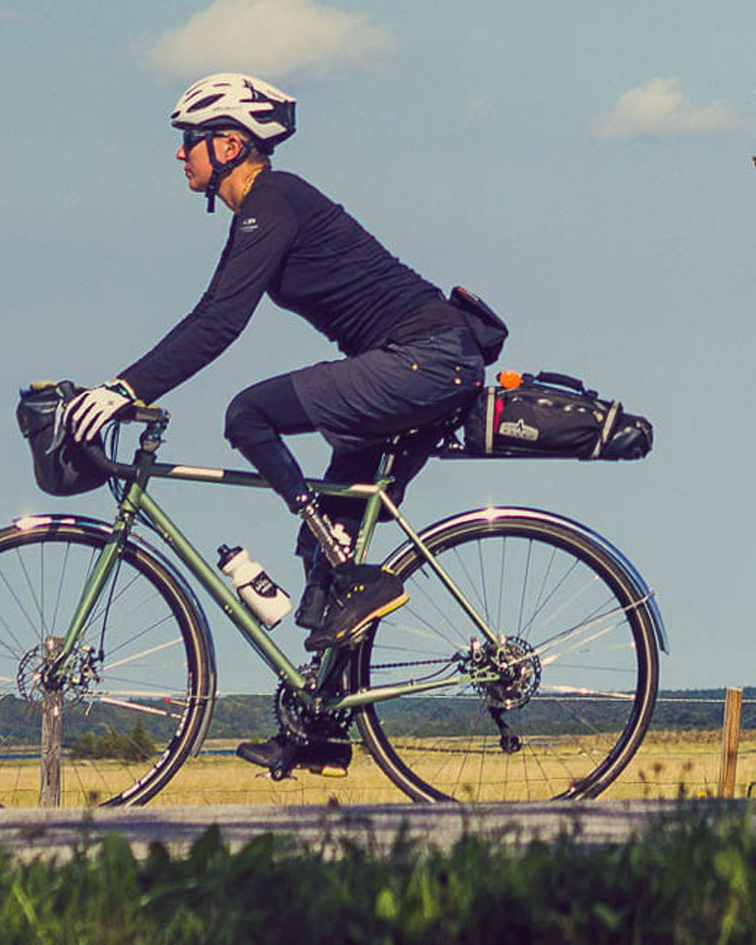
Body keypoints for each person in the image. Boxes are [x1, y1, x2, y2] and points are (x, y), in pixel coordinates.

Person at [63, 72, 489, 769]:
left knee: (249, 413)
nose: (180, 154)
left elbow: (217, 322)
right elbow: (214, 313)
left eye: (190, 140)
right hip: (419, 362)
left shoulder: (274, 201)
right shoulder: (263, 212)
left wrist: (124, 389)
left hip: (426, 359)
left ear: (230, 144)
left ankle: (360, 583)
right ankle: (321, 729)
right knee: (324, 558)